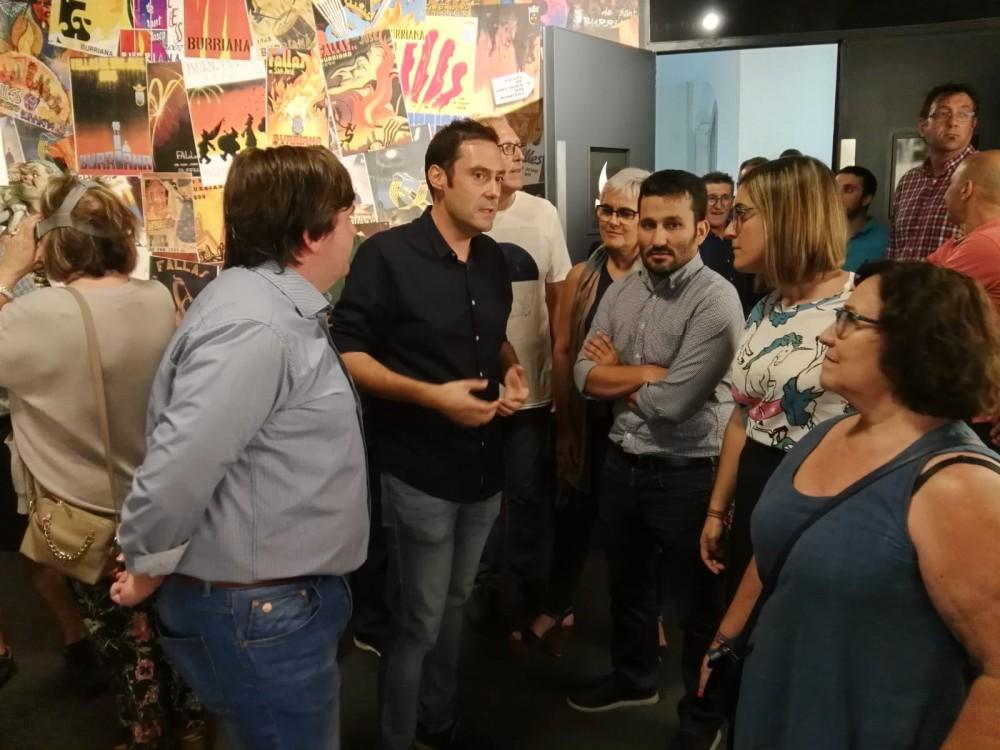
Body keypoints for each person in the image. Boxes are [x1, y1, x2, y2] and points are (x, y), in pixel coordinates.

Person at [114, 146, 369, 750]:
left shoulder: (267, 308)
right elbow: (179, 467)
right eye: (346, 216)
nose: (354, 232)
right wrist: (147, 562)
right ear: (311, 235)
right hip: (261, 610)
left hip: (270, 602)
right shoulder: (257, 326)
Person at [700, 260, 1000, 749]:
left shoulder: (958, 484)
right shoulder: (825, 434)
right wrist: (725, 639)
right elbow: (776, 551)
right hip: (776, 702)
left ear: (915, 341)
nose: (825, 336)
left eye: (849, 320)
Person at [330, 119, 530, 750]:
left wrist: (509, 368)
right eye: (479, 175)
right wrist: (429, 396)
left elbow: (491, 335)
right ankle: (397, 736)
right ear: (438, 179)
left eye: (499, 177)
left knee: (456, 602)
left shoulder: (493, 258)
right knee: (417, 618)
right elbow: (348, 352)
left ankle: (437, 723)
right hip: (419, 471)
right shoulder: (386, 255)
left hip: (484, 468)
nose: (495, 190)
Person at [0, 176, 202, 748]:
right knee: (175, 628)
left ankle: (145, 734)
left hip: (87, 512)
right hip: (162, 501)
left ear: (50, 240)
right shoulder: (157, 297)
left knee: (121, 641)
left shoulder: (34, 315)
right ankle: (191, 726)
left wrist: (7, 272)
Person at [568, 169, 743, 750]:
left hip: (690, 474)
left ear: (701, 229)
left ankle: (702, 719)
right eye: (649, 224)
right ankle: (635, 678)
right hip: (624, 465)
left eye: (673, 225)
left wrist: (618, 376)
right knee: (628, 587)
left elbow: (673, 405)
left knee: (699, 609)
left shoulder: (716, 299)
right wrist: (646, 373)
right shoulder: (623, 289)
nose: (658, 238)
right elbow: (582, 374)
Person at [700, 156, 854, 604]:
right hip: (758, 480)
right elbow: (743, 415)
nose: (731, 230)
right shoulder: (767, 306)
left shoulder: (860, 305)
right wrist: (717, 509)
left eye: (742, 214)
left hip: (826, 493)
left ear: (788, 216)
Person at [517, 167, 648, 650]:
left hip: (640, 422)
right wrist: (567, 427)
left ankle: (645, 616)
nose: (612, 220)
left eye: (625, 213)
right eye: (605, 210)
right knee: (573, 516)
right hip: (586, 418)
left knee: (635, 529)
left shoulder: (662, 281)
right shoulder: (580, 276)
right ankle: (558, 604)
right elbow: (562, 350)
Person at [473, 115, 572, 630]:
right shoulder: (470, 217)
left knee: (528, 498)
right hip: (475, 389)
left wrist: (559, 385)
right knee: (479, 499)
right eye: (503, 148)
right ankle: (484, 602)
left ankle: (529, 601)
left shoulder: (542, 214)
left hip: (531, 390)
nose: (514, 158)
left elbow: (560, 303)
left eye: (517, 147)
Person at [888, 82, 978, 261]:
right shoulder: (909, 180)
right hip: (902, 278)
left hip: (957, 280)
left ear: (973, 125)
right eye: (943, 114)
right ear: (923, 127)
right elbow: (894, 246)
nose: (953, 123)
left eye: (963, 115)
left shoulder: (986, 173)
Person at [700, 171, 760, 316]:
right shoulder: (693, 241)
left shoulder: (745, 235)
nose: (718, 205)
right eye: (712, 198)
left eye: (725, 198)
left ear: (733, 201)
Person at [835, 165, 889, 271]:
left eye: (849, 190)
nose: (837, 196)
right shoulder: (820, 236)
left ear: (866, 199)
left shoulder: (886, 239)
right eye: (835, 189)